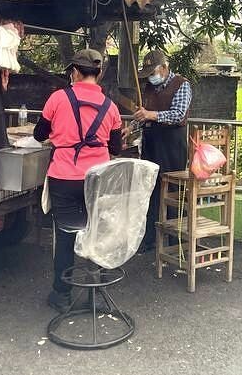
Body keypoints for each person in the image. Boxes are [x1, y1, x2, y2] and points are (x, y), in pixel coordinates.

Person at [33, 49, 123, 313]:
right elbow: (116, 147)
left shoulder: (57, 99)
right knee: (97, 231)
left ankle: (61, 295)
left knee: (66, 234)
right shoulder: (111, 107)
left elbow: (40, 134)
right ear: (99, 73)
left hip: (64, 177)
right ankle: (97, 290)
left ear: (74, 71)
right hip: (97, 180)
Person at [132, 50, 192, 252]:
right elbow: (143, 114)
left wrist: (151, 114)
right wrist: (130, 128)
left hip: (172, 147)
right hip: (151, 145)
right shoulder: (149, 87)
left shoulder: (182, 84)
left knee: (173, 193)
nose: (150, 77)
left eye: (153, 72)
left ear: (164, 68)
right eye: (148, 74)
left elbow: (178, 115)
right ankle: (149, 239)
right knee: (150, 192)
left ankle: (176, 243)